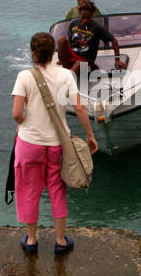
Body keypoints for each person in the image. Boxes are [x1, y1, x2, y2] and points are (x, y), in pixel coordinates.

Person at [11, 32, 99, 255]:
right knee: (57, 190)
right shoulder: (66, 75)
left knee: (30, 189)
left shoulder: (24, 76)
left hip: (29, 143)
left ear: (32, 52)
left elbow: (16, 113)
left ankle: (31, 240)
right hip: (56, 143)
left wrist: (23, 122)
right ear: (54, 53)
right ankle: (60, 240)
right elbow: (79, 108)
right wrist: (90, 136)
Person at [67, 1, 127, 74]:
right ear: (80, 13)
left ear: (92, 15)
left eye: (88, 18)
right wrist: (63, 57)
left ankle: (69, 76)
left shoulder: (97, 27)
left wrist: (117, 60)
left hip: (85, 59)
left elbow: (114, 40)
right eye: (83, 17)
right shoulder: (73, 24)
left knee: (71, 73)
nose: (85, 20)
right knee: (61, 40)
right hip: (73, 55)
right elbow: (68, 41)